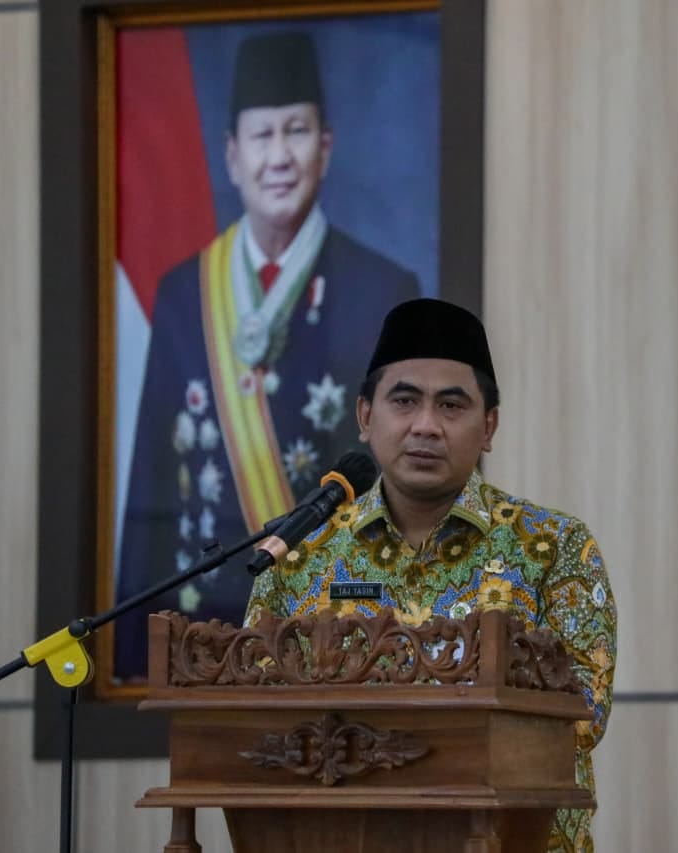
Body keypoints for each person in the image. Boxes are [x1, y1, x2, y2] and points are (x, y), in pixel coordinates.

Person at [245, 298, 618, 851]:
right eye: (404, 401)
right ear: (365, 417)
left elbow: (582, 717)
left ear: (488, 426)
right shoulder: (299, 554)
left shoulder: (553, 548)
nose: (426, 425)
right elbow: (254, 717)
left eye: (451, 405)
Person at [112, 31, 420, 681]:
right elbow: (152, 484)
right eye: (262, 135)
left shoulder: (384, 290)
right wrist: (136, 661)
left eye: (296, 131)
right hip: (207, 637)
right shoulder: (182, 292)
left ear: (325, 147)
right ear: (232, 155)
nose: (279, 156)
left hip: (337, 638)